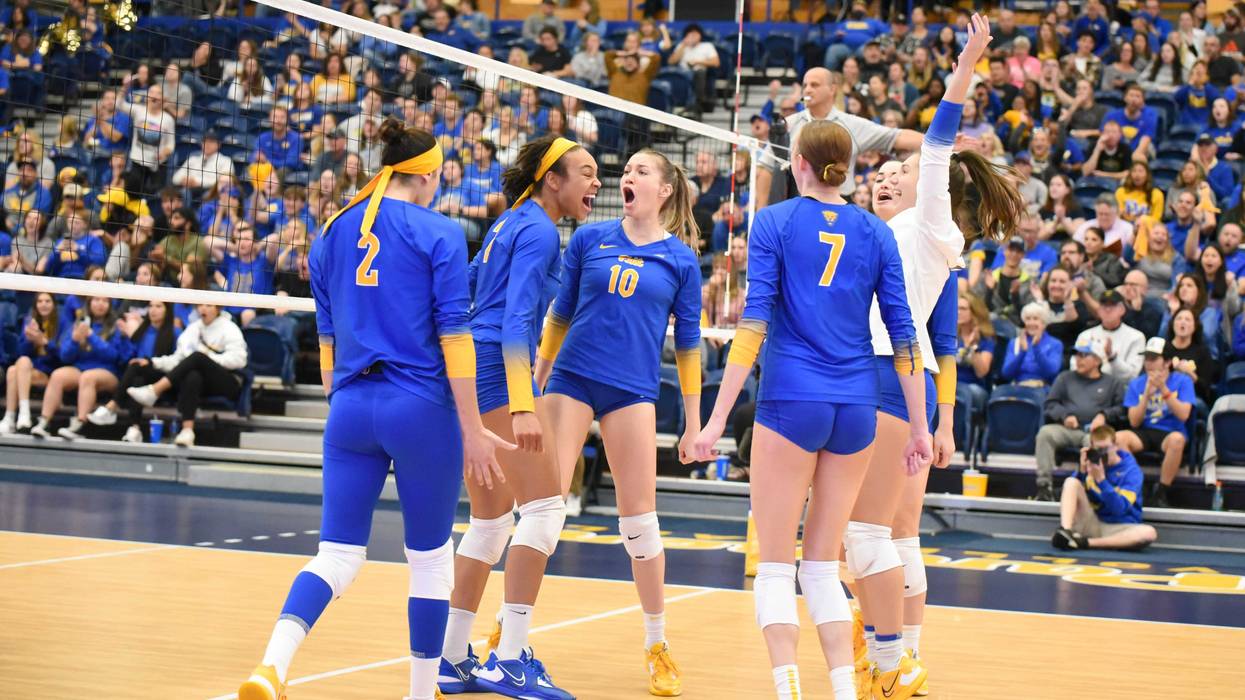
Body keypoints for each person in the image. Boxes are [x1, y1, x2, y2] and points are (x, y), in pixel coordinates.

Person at [238, 120, 510, 700]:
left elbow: (327, 347)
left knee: (335, 555)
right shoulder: (440, 231)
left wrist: (344, 411)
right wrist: (474, 429)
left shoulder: (330, 232)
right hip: (421, 409)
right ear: (430, 174)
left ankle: (272, 666)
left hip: (351, 408)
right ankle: (418, 693)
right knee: (430, 560)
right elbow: (455, 338)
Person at [688, 113, 931, 700]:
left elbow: (754, 323)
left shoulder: (773, 220)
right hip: (857, 407)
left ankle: (787, 686)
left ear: (798, 164)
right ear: (846, 171)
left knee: (775, 566)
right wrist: (920, 426)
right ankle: (844, 691)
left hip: (792, 399)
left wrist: (716, 420)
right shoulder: (875, 231)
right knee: (822, 565)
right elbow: (905, 338)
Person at [852, 17, 1011, 699]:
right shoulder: (897, 229)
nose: (898, 170)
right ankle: (886, 656)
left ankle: (895, 658)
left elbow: (940, 136)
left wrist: (967, 60)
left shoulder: (933, 222)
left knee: (876, 535)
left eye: (907, 168)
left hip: (888, 377)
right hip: (868, 375)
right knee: (864, 535)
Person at [533, 148, 703, 698]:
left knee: (640, 525)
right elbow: (560, 311)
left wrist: (694, 422)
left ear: (666, 190)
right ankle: (511, 633)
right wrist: (537, 375)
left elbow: (689, 345)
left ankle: (657, 642)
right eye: (626, 170)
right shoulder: (589, 239)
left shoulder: (680, 260)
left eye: (641, 171)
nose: (627, 177)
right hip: (573, 377)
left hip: (631, 389)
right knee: (544, 507)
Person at [438, 136, 599, 700]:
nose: (595, 183)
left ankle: (453, 658)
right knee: (546, 508)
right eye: (586, 172)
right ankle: (510, 658)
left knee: (490, 522)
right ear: (552, 179)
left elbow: (474, 297)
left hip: (470, 366)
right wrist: (524, 402)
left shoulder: (510, 221)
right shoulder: (537, 231)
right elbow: (513, 321)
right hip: (497, 369)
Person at [784, 67, 924, 197]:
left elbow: (895, 136)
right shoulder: (788, 125)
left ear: (832, 89)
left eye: (814, 85)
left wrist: (937, 144)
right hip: (797, 203)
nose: (807, 90)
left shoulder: (850, 124)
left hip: (840, 203)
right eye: (805, 85)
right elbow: (765, 168)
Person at [1033, 340, 1127, 501]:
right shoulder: (1065, 378)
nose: (1079, 359)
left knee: (1096, 443)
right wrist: (1064, 416)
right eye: (1077, 355)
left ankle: (1088, 488)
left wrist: (1104, 415)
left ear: (1098, 360)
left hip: (1094, 432)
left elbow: (1122, 410)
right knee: (1045, 433)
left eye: (1084, 355)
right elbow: (1050, 404)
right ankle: (1044, 487)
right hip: (1068, 429)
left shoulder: (1112, 383)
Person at [29, 296, 131, 439]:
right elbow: (65, 357)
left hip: (109, 372)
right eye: (96, 300)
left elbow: (114, 356)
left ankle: (80, 424)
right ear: (89, 303)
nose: (100, 304)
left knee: (88, 377)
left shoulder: (116, 326)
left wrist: (91, 337)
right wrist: (74, 341)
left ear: (110, 304)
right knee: (58, 375)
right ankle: (44, 422)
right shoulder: (78, 324)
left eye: (104, 301)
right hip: (81, 368)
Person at [84, 299, 180, 442]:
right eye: (151, 306)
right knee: (137, 377)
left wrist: (149, 363)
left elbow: (177, 362)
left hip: (164, 381)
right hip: (138, 378)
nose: (153, 310)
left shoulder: (175, 332)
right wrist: (124, 338)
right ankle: (134, 429)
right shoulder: (142, 331)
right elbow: (126, 358)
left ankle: (112, 406)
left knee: (136, 368)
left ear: (167, 310)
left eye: (158, 306)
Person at [1116, 337, 1195, 508]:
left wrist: (1164, 389)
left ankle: (1161, 492)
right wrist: (1146, 395)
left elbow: (1184, 415)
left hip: (1171, 430)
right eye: (1147, 358)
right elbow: (1134, 422)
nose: (1148, 363)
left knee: (1177, 441)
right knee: (1119, 437)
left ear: (1167, 362)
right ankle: (1134, 484)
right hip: (1145, 430)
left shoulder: (1183, 381)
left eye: (1154, 359)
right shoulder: (1137, 383)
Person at [1053, 425, 1158, 550]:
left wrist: (1102, 481)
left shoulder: (1131, 471)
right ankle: (1066, 532)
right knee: (1071, 482)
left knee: (1148, 533)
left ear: (1115, 445)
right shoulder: (1091, 465)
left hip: (1120, 527)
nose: (1103, 454)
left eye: (1106, 449)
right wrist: (1081, 471)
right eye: (1098, 449)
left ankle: (1085, 543)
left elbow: (1119, 509)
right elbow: (1074, 493)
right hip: (1093, 522)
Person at [0, 292, 60, 434]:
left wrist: (44, 342)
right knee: (14, 369)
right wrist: (29, 341)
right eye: (40, 301)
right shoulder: (29, 321)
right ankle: (13, 417)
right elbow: (20, 352)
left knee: (18, 368)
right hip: (27, 371)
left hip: (50, 373)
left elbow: (63, 356)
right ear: (35, 305)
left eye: (47, 301)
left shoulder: (61, 323)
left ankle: (18, 415)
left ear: (54, 304)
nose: (43, 304)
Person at [1000, 302, 1064, 387]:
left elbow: (1051, 372)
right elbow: (1006, 373)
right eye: (1028, 319)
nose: (1031, 323)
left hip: (1041, 388)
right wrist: (1022, 352)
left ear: (1044, 323)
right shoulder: (1015, 342)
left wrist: (1036, 348)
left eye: (1035, 319)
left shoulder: (1055, 344)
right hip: (1017, 387)